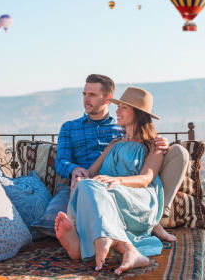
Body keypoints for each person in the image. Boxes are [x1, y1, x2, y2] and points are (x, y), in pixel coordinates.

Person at [55, 74, 189, 242]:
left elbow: (145, 171)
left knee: (179, 152)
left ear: (107, 99)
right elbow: (62, 162)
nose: (86, 99)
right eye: (84, 94)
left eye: (92, 95)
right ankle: (83, 237)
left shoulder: (121, 129)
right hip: (93, 183)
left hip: (123, 186)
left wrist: (161, 144)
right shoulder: (71, 128)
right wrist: (75, 171)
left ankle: (155, 218)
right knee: (83, 188)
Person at [55, 86, 167, 274]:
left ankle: (87, 244)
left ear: (138, 114)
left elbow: (146, 179)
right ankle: (117, 247)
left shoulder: (152, 145)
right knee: (84, 184)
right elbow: (91, 173)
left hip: (136, 200)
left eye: (123, 108)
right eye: (118, 107)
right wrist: (79, 177)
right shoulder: (115, 144)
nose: (117, 112)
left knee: (95, 187)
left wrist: (117, 181)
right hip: (107, 195)